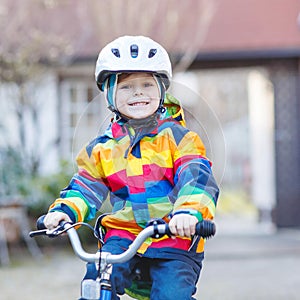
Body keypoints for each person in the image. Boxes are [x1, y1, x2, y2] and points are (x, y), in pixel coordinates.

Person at [43, 35, 219, 300]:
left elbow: (196, 178)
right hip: (123, 236)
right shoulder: (101, 148)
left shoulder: (179, 138)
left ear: (162, 90)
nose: (138, 93)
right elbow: (85, 188)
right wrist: (64, 212)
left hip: (173, 238)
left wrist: (188, 212)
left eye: (147, 84)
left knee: (172, 294)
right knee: (96, 279)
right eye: (126, 87)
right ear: (110, 95)